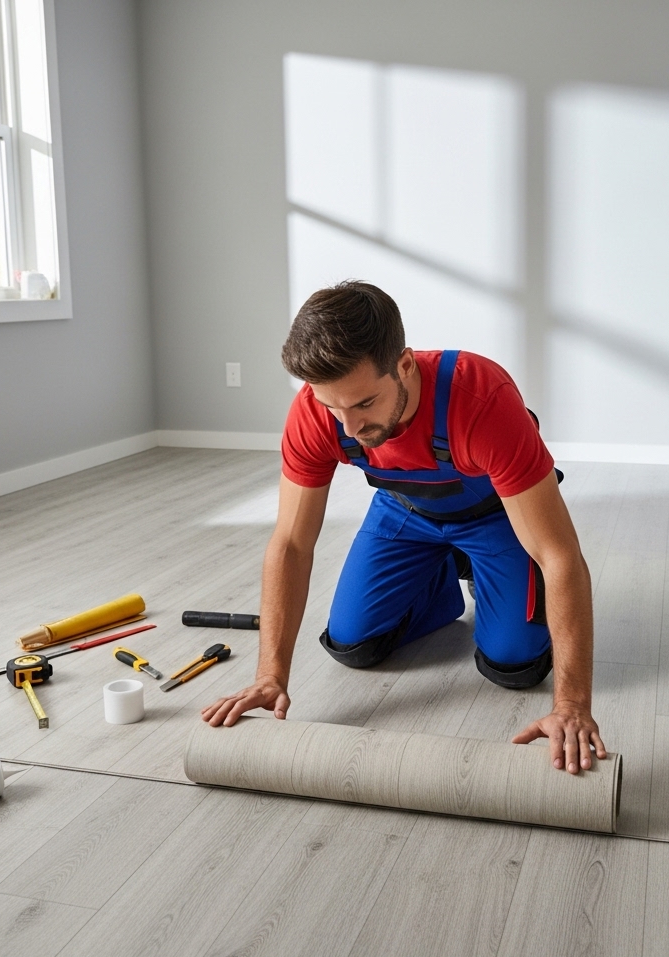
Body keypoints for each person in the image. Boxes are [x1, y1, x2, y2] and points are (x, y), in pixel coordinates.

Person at [202, 281, 606, 774]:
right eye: (332, 407)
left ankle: (482, 569)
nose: (349, 428)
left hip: (498, 516)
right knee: (353, 644)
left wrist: (572, 705)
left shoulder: (481, 398)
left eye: (364, 404)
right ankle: (441, 580)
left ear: (406, 365)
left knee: (514, 665)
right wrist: (270, 676)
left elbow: (559, 555)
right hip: (407, 512)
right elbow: (290, 543)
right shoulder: (315, 412)